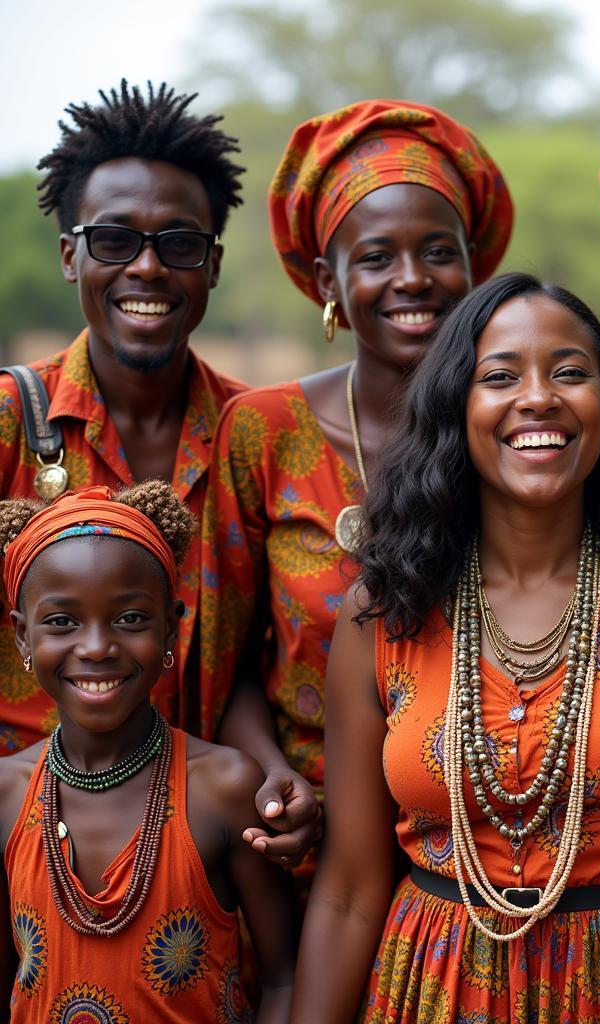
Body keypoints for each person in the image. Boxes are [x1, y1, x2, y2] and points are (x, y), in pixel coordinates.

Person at [292, 273, 600, 1021]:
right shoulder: (386, 611)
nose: (539, 397)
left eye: (570, 373)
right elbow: (351, 888)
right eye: (499, 376)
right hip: (434, 991)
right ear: (459, 409)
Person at [201, 100, 514, 877]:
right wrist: (272, 774)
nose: (413, 279)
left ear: (473, 268)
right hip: (309, 851)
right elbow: (223, 656)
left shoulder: (518, 428)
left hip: (488, 854)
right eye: (377, 257)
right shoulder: (263, 431)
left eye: (438, 252)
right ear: (326, 280)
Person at [0, 81, 246, 754]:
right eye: (113, 240)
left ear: (212, 264)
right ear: (68, 256)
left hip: (211, 832)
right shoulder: (8, 423)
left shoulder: (258, 433)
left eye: (179, 243)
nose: (147, 267)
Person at [0, 482, 296, 1021]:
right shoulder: (6, 794)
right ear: (22, 637)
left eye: (130, 618)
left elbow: (285, 979)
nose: (95, 647)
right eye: (62, 621)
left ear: (170, 629)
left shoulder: (222, 788)